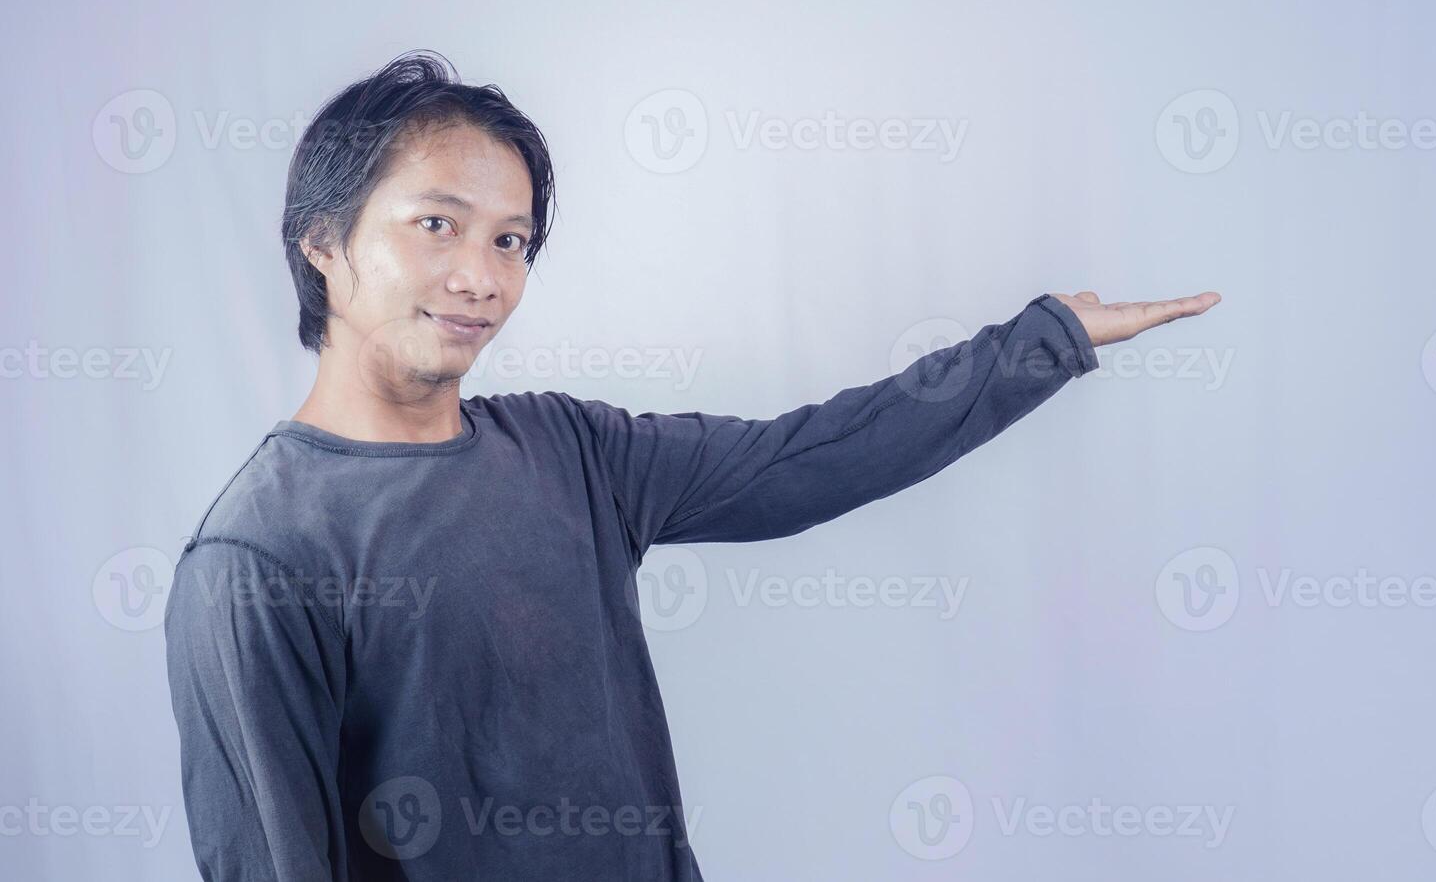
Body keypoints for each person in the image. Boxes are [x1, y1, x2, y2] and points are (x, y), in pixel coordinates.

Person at [163, 49, 1221, 881]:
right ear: (322, 240)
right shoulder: (257, 554)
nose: (479, 275)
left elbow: (814, 456)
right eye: (437, 223)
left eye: (511, 241)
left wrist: (1040, 341)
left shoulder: (570, 450)